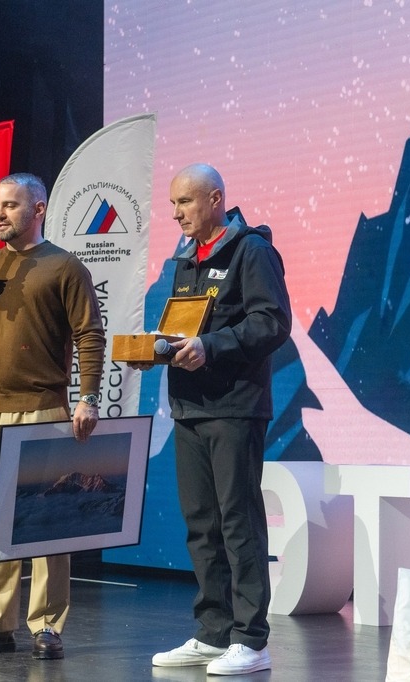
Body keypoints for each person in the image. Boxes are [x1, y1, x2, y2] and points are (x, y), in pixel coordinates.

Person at [0, 173, 106, 660]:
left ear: (39, 209)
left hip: (41, 407)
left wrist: (88, 397)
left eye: (10, 205)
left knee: (46, 518)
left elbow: (90, 334)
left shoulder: (64, 266)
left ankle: (47, 625)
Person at [133, 163, 291, 676]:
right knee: (201, 524)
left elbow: (272, 322)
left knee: (238, 521)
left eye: (185, 202)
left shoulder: (252, 250)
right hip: (190, 407)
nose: (176, 213)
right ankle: (213, 632)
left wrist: (212, 346)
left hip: (235, 407)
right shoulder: (187, 258)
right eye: (173, 204)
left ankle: (251, 638)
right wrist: (155, 350)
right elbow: (185, 329)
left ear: (216, 199)